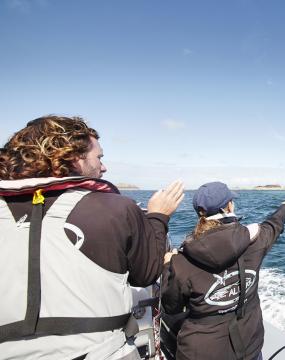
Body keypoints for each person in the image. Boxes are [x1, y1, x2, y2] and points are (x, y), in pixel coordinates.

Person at [0, 115, 186, 359]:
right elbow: (146, 274)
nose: (104, 167)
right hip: (103, 351)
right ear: (72, 157)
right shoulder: (116, 208)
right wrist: (159, 216)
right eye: (99, 157)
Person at [161, 181, 285, 360]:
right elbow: (274, 225)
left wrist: (167, 266)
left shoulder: (181, 261)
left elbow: (171, 306)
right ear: (229, 206)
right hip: (249, 347)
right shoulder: (255, 241)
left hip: (200, 352)